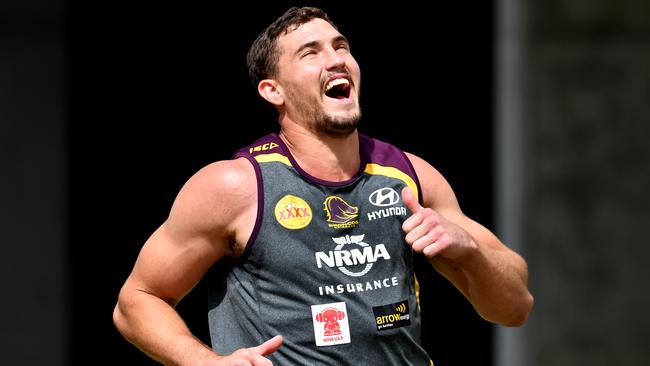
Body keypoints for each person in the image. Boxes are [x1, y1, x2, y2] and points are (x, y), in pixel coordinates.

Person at [113, 6, 533, 365]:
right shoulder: (237, 185)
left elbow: (514, 307)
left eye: (342, 46)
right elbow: (137, 301)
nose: (336, 60)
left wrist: (469, 249)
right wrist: (205, 361)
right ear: (272, 90)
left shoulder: (408, 175)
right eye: (310, 53)